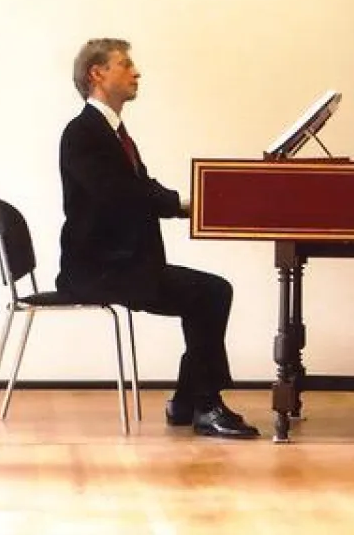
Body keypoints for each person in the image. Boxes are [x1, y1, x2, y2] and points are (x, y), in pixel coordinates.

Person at [56, 38, 260, 439]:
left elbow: (140, 186)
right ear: (97, 74)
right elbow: (118, 194)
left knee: (209, 293)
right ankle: (204, 404)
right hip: (99, 270)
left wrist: (184, 204)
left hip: (122, 264)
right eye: (125, 64)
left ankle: (189, 401)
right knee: (211, 293)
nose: (136, 72)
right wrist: (176, 204)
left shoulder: (112, 132)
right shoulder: (82, 133)